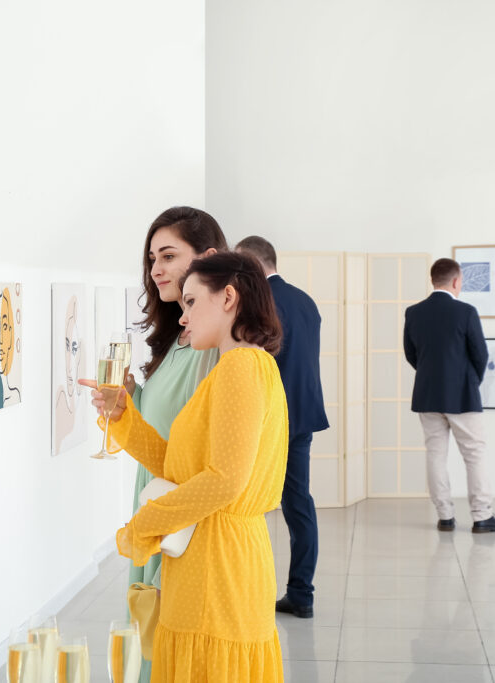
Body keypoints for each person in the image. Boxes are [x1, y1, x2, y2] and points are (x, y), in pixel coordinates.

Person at [88, 251, 288, 683]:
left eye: (192, 303)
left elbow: (224, 482)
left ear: (229, 297)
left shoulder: (239, 367)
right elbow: (184, 468)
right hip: (216, 561)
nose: (183, 318)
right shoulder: (242, 367)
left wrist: (144, 525)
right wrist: (123, 417)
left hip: (218, 568)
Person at [122, 206, 227, 681]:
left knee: (169, 653)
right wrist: (128, 399)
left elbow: (205, 451)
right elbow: (163, 421)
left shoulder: (213, 347)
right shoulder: (179, 339)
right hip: (155, 497)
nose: (156, 269)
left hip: (182, 518)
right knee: (149, 641)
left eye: (168, 256)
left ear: (207, 259)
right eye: (151, 259)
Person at [235, 236, 328, 619]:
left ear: (255, 265)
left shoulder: (257, 304)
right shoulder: (306, 301)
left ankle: (247, 591)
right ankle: (301, 593)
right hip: (302, 416)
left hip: (267, 417)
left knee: (245, 505)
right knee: (298, 504)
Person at [402, 258, 495, 533]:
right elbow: (481, 354)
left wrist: (430, 375)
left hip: (426, 395)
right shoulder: (466, 312)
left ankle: (445, 516)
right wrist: (469, 381)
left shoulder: (413, 312)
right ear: (457, 281)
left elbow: (411, 354)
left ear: (432, 280)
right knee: (474, 454)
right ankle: (482, 516)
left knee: (435, 454)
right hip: (461, 395)